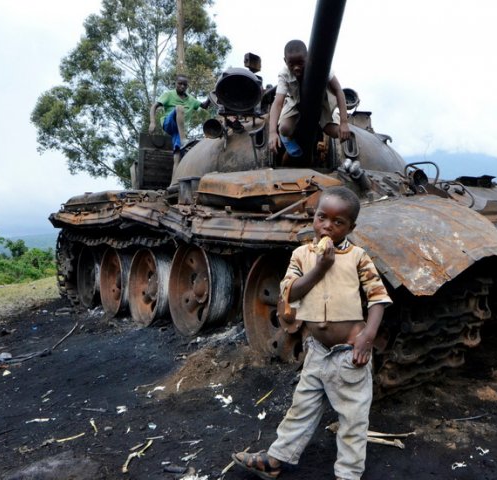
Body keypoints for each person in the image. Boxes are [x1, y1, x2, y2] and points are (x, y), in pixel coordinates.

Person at [232, 186, 392, 480]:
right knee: (301, 407)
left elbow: (378, 298)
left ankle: (348, 473)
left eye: (338, 222)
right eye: (322, 217)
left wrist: (367, 337)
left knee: (353, 419)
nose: (328, 226)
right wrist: (320, 268)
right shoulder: (301, 255)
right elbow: (290, 293)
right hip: (316, 350)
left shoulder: (358, 256)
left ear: (350, 227)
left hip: (349, 352)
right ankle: (277, 458)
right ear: (313, 218)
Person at [268, 39, 351, 157]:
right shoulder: (284, 74)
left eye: (301, 63)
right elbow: (278, 103)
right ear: (285, 61)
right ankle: (287, 139)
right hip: (295, 104)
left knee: (335, 132)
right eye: (291, 64)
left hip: (320, 105)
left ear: (308, 58)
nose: (296, 68)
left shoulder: (322, 67)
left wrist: (344, 123)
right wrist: (272, 132)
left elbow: (338, 90)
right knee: (284, 129)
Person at [148, 74, 211, 176]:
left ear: (187, 86)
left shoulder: (191, 99)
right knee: (179, 108)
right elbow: (154, 106)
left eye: (185, 85)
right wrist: (152, 122)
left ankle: (174, 182)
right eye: (180, 84)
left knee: (177, 154)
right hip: (168, 123)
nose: (182, 86)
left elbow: (204, 106)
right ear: (175, 84)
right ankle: (183, 141)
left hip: (178, 129)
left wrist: (211, 96)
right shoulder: (169, 94)